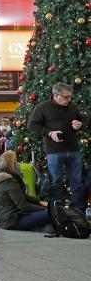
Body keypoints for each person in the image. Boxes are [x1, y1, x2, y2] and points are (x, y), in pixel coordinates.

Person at [28, 82, 89, 210]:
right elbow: (32, 125)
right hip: (54, 151)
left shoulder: (72, 106)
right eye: (66, 97)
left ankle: (78, 212)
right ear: (56, 96)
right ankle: (58, 212)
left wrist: (80, 125)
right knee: (56, 182)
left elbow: (84, 119)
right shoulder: (42, 108)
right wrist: (49, 133)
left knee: (77, 181)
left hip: (73, 150)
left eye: (70, 97)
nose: (70, 99)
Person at [0, 151, 51, 231]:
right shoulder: (9, 181)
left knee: (45, 214)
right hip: (12, 220)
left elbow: (21, 195)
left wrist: (40, 202)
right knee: (48, 214)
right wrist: (44, 209)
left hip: (6, 217)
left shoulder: (1, 176)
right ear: (12, 163)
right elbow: (23, 206)